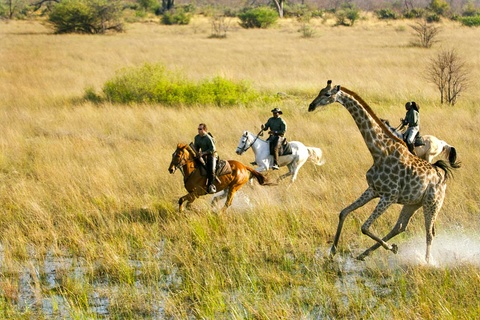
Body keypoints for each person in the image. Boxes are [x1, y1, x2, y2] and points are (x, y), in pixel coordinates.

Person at [193, 123, 217, 194]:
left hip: (212, 155)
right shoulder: (197, 137)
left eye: (200, 129)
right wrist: (196, 152)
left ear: (204, 130)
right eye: (198, 129)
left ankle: (211, 186)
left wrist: (203, 153)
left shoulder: (208, 138)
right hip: (202, 155)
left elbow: (213, 149)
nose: (198, 130)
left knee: (211, 170)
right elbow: (196, 147)